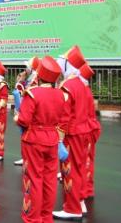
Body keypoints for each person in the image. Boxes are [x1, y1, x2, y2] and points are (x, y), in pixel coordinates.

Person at [14, 56, 65, 223]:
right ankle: (46, 216)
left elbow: (24, 120)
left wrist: (16, 118)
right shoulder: (60, 94)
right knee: (49, 180)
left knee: (33, 179)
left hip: (33, 139)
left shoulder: (33, 93)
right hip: (52, 139)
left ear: (40, 75)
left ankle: (32, 217)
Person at [53, 45, 89, 220]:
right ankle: (79, 201)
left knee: (70, 170)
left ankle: (72, 208)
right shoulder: (80, 84)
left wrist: (59, 140)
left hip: (71, 134)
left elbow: (63, 117)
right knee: (80, 168)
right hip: (82, 131)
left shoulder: (67, 86)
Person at [78, 63, 101, 201]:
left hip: (85, 129)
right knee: (87, 160)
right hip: (90, 128)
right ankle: (88, 188)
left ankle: (84, 190)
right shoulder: (86, 89)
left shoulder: (82, 90)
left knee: (84, 161)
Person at [13, 56, 40, 166]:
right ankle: (25, 157)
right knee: (24, 135)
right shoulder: (30, 78)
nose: (26, 69)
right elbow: (19, 88)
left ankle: (29, 158)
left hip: (31, 112)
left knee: (28, 135)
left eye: (27, 67)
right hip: (25, 109)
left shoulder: (35, 79)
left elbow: (26, 94)